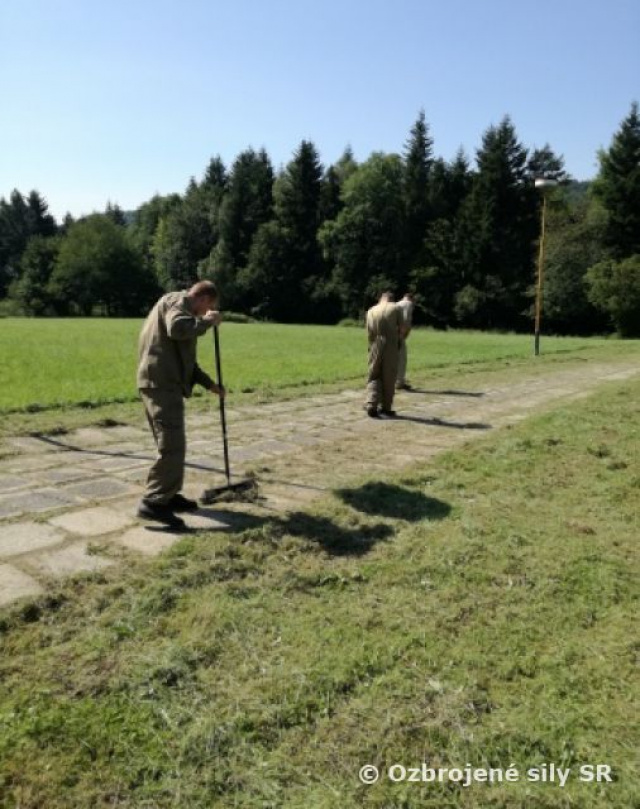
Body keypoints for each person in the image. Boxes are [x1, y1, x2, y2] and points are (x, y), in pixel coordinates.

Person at [136, 280, 224, 527]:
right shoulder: (179, 303)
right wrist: (208, 321)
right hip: (161, 385)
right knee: (171, 445)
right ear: (203, 299)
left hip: (164, 383)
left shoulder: (184, 312)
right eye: (207, 307)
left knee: (175, 443)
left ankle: (169, 495)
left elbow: (187, 363)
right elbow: (177, 328)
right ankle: (153, 502)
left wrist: (210, 385)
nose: (204, 313)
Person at [365, 291, 406, 418]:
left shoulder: (371, 310)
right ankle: (386, 407)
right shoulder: (396, 308)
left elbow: (369, 332)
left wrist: (371, 347)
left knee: (374, 374)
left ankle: (371, 403)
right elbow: (402, 327)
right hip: (390, 344)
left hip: (375, 344)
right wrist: (399, 341)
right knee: (389, 375)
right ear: (391, 299)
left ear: (381, 299)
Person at [396, 292, 415, 390]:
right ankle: (400, 382)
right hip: (399, 334)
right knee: (402, 359)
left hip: (391, 333)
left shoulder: (397, 304)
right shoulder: (408, 304)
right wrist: (403, 335)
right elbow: (406, 319)